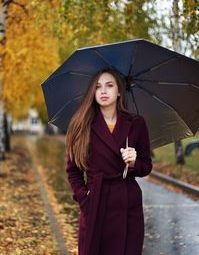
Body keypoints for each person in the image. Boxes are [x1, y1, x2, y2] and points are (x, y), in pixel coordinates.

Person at [65, 68, 152, 255]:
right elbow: (73, 171)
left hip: (128, 205)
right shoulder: (81, 124)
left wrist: (134, 163)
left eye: (109, 85)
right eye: (98, 87)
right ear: (92, 92)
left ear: (119, 91)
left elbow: (146, 166)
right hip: (96, 203)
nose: (103, 91)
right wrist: (85, 198)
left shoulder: (136, 123)